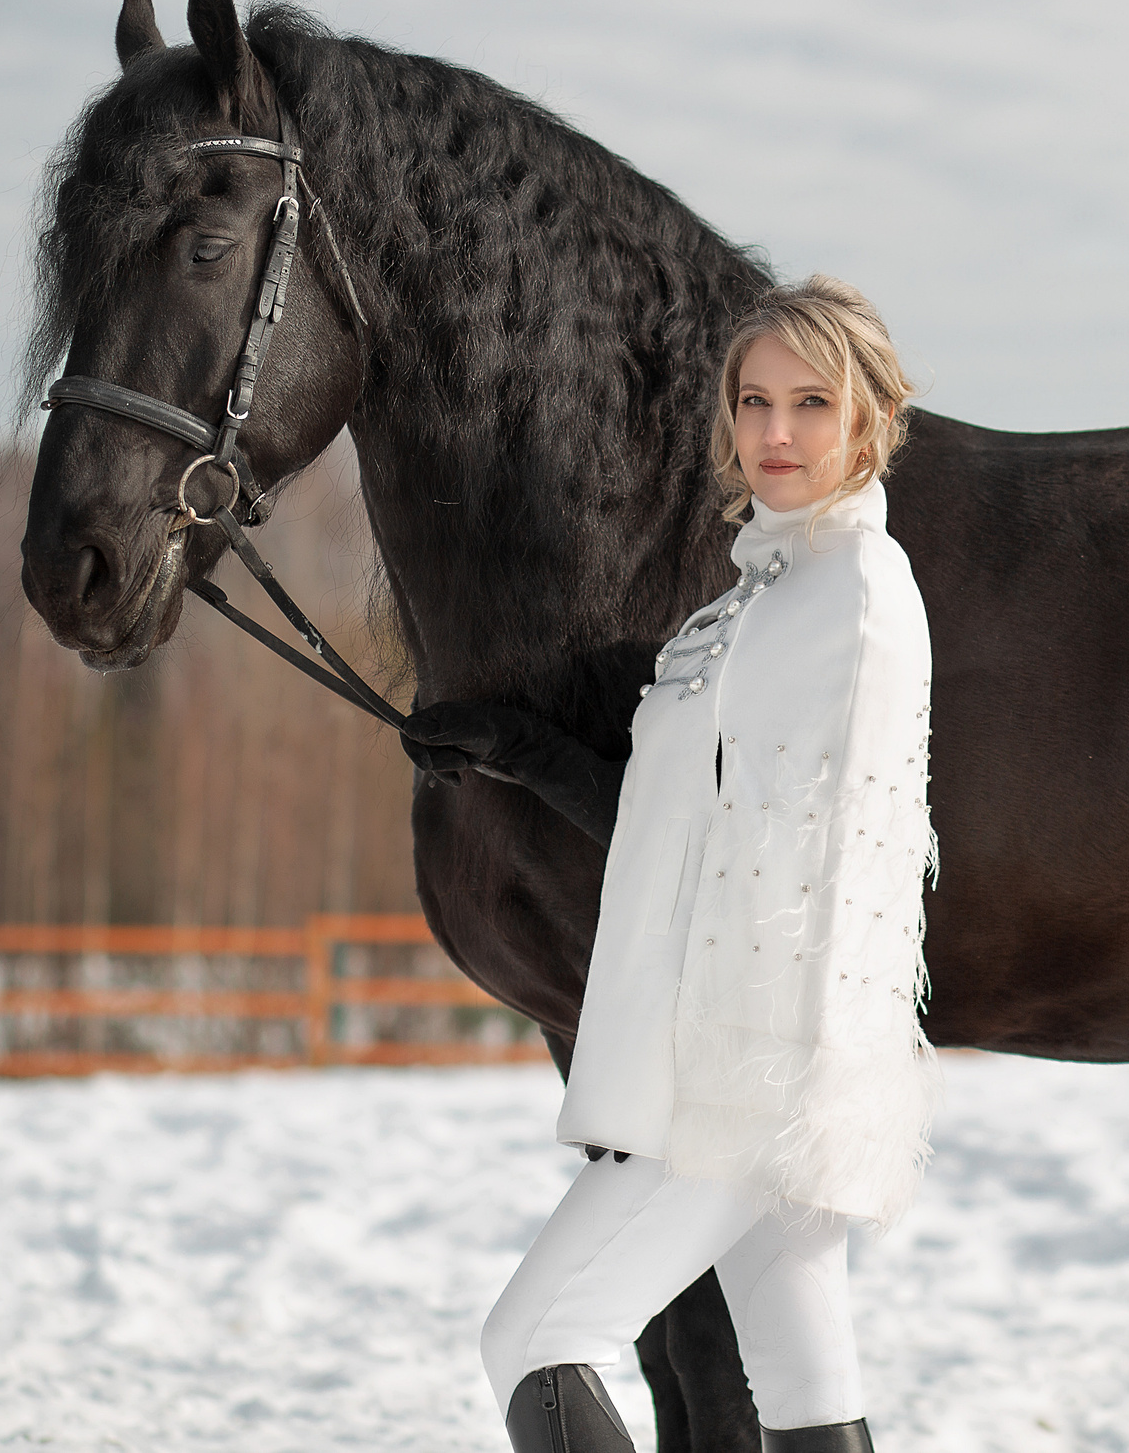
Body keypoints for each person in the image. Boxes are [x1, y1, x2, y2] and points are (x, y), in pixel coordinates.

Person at [402, 275, 938, 1453]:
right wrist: (519, 751)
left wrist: (748, 1090)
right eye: (753, 402)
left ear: (871, 419)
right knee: (807, 1393)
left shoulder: (853, 592)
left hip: (747, 1075)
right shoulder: (755, 600)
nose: (776, 433)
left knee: (535, 1338)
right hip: (742, 1066)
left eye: (811, 401)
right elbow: (684, 819)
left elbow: (828, 858)